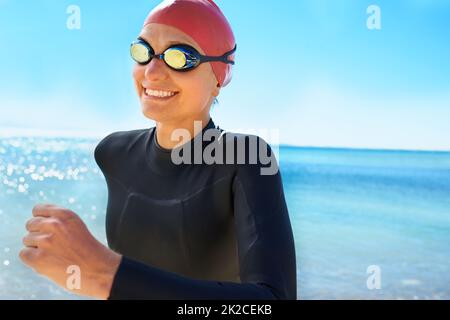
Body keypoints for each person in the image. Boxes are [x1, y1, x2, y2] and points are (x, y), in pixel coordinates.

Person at [19, 0, 297, 300]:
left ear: (218, 78)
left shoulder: (244, 159)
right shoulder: (114, 153)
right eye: (143, 51)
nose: (151, 72)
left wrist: (104, 275)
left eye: (180, 57)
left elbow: (271, 301)